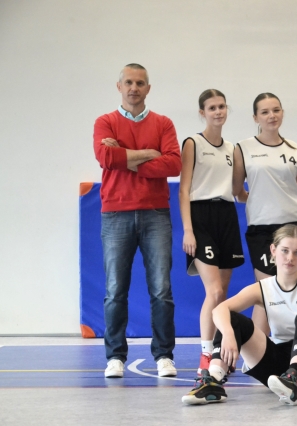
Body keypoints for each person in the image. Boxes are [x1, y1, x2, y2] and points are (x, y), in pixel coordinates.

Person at [181, 225, 297, 406]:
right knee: (231, 318)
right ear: (273, 250)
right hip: (280, 367)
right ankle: (213, 382)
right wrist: (228, 333)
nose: (290, 258)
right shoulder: (264, 287)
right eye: (285, 251)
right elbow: (218, 310)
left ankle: (293, 377)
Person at [93, 63, 181, 378]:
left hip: (155, 213)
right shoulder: (105, 122)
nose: (134, 88)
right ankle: (114, 357)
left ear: (148, 88)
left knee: (161, 289)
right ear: (119, 86)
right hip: (115, 213)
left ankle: (164, 356)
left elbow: (173, 164)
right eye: (129, 82)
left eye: (140, 83)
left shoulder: (163, 123)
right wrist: (148, 153)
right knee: (115, 290)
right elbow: (105, 157)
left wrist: (126, 157)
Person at [233, 93, 297, 334]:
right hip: (262, 227)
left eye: (276, 110)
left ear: (282, 113)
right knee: (266, 289)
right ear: (255, 117)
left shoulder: (294, 148)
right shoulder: (243, 148)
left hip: (296, 224)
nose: (272, 116)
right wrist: (260, 199)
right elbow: (237, 191)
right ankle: (259, 347)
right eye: (265, 112)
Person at [178, 89, 245, 376]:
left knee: (223, 294)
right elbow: (183, 189)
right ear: (202, 112)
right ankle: (205, 354)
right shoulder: (193, 143)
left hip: (226, 216)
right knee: (214, 291)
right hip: (200, 217)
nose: (218, 112)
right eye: (212, 107)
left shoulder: (232, 148)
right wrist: (188, 230)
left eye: (221, 106)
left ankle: (220, 354)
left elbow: (237, 191)